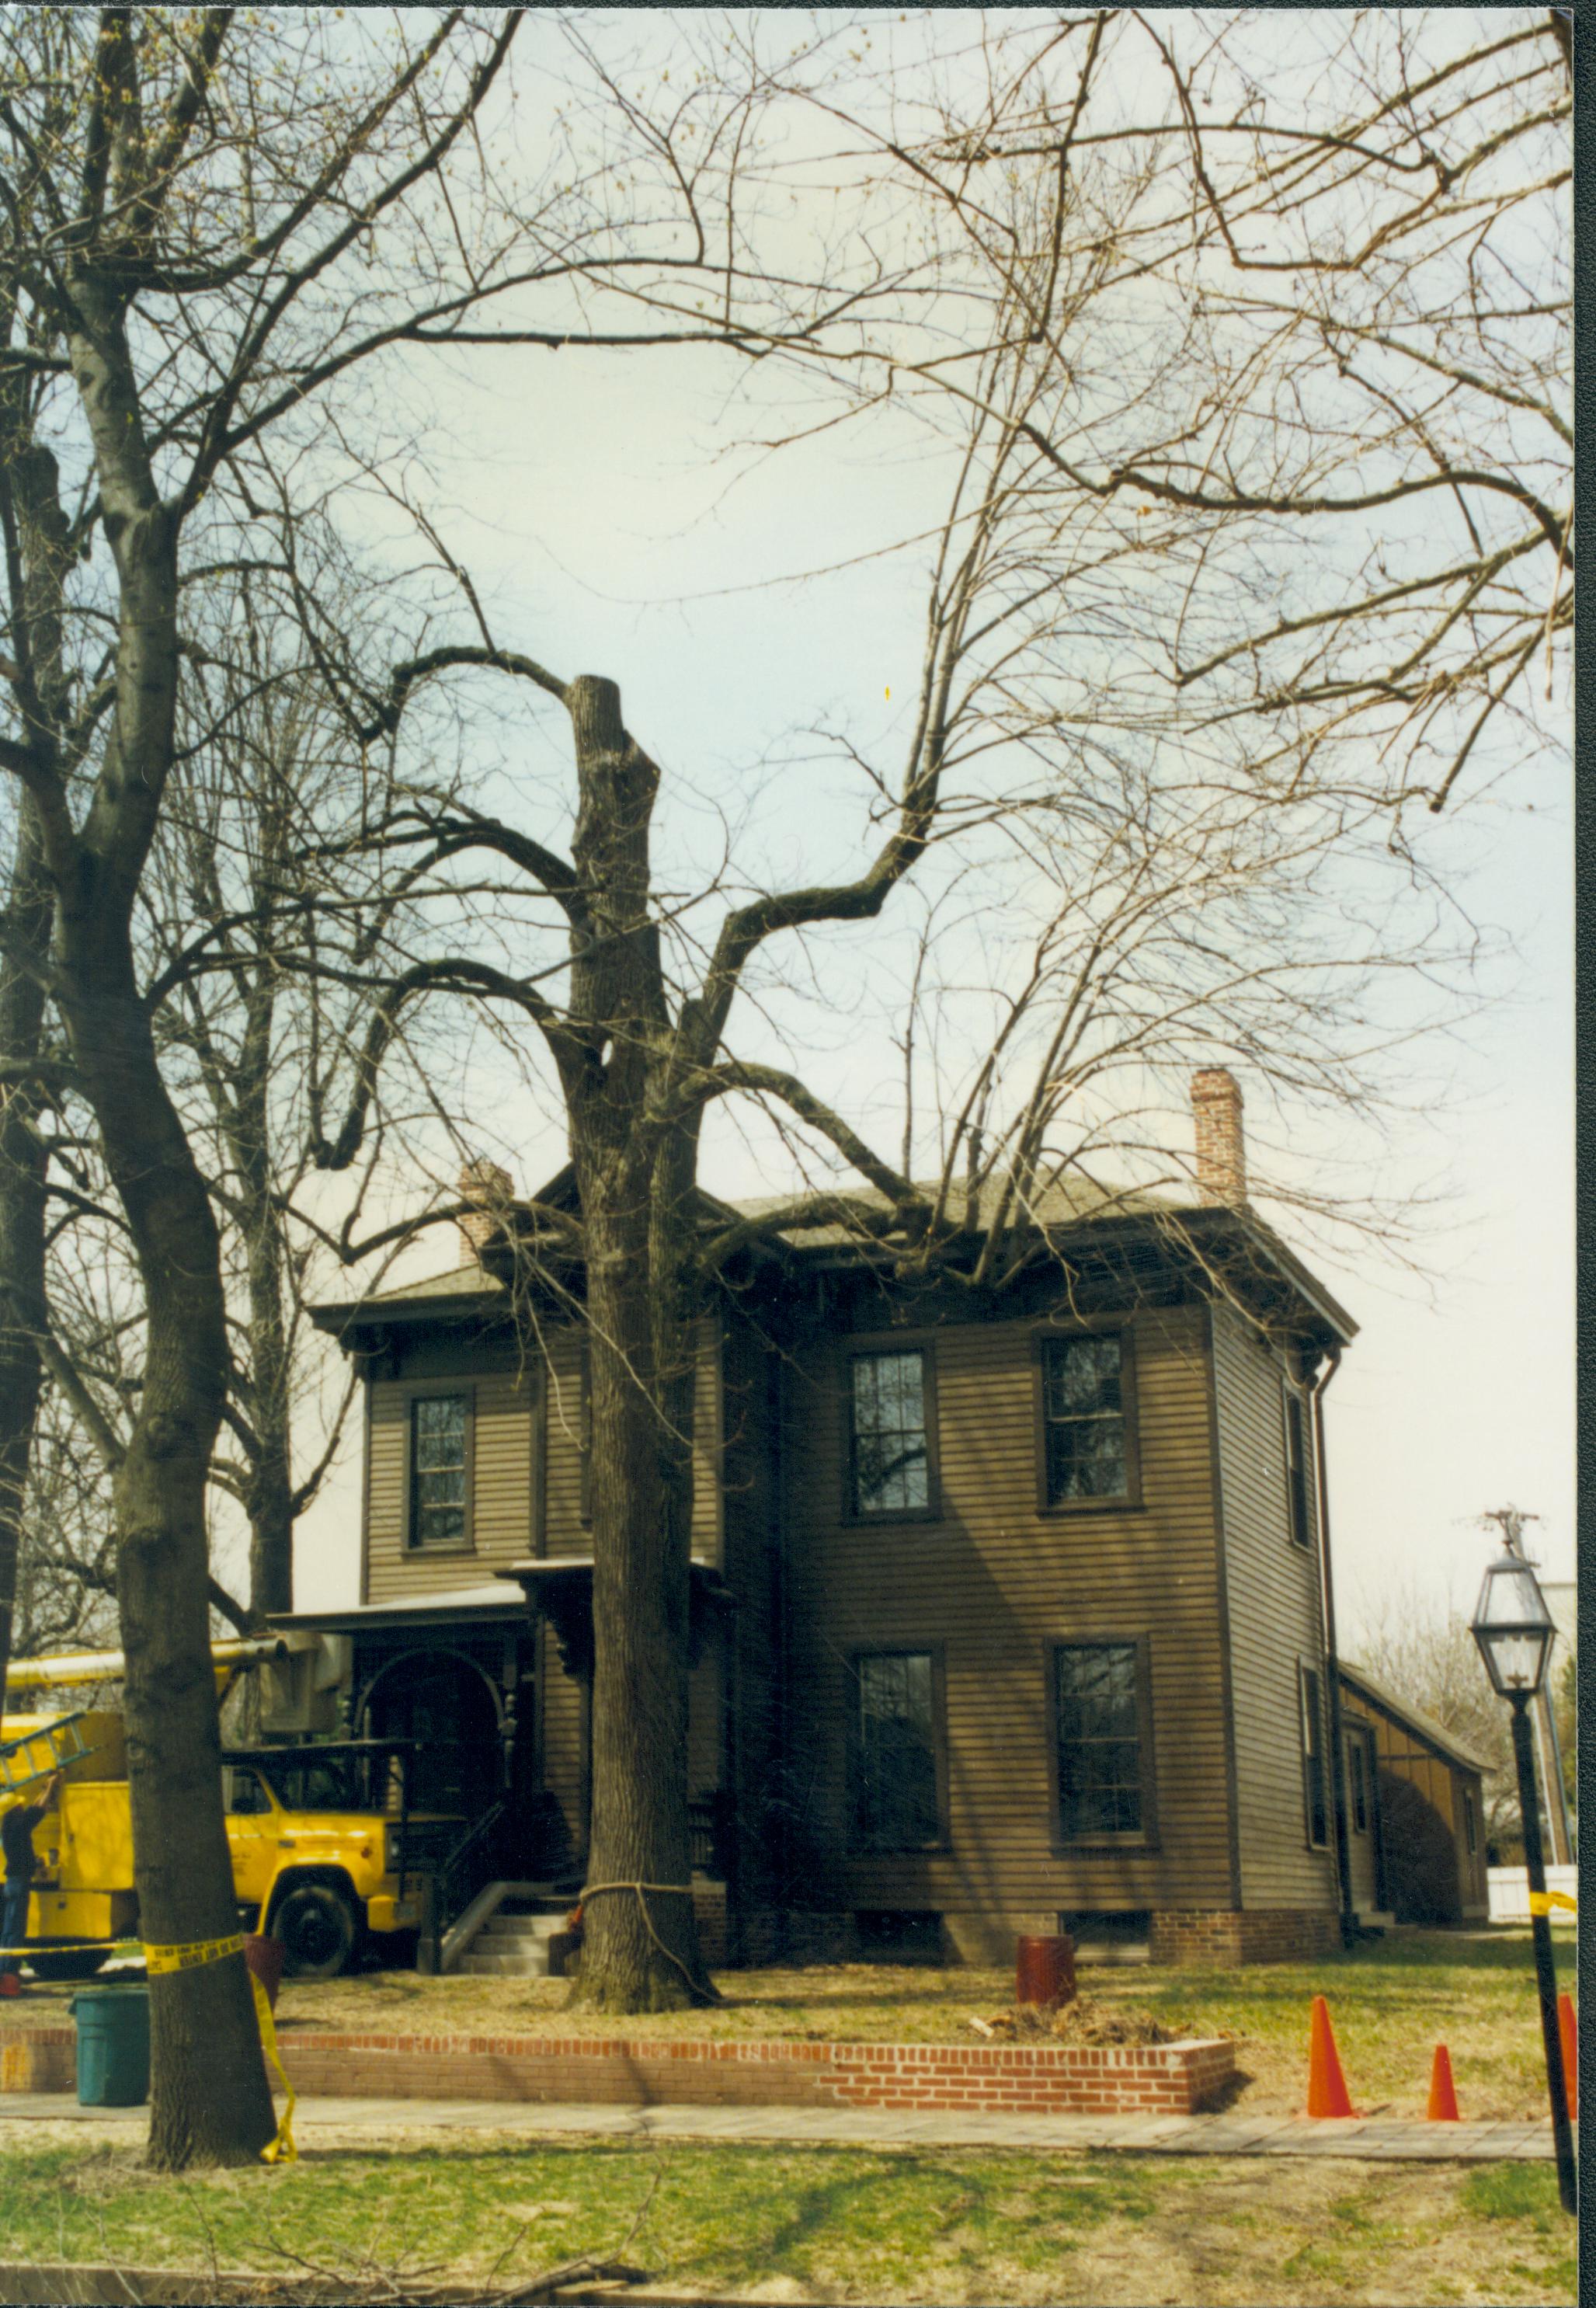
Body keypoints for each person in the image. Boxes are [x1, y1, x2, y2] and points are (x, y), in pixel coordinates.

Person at [2, 1773, 62, 1973]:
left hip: (12, 1883)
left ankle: (4, 1969)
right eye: (19, 1805)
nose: (21, 1806)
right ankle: (10, 1971)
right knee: (16, 1931)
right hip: (19, 1883)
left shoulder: (10, 1827)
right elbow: (37, 1810)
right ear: (14, 1809)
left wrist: (45, 1790)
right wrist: (51, 1787)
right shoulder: (19, 1827)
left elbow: (32, 1811)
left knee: (8, 1930)